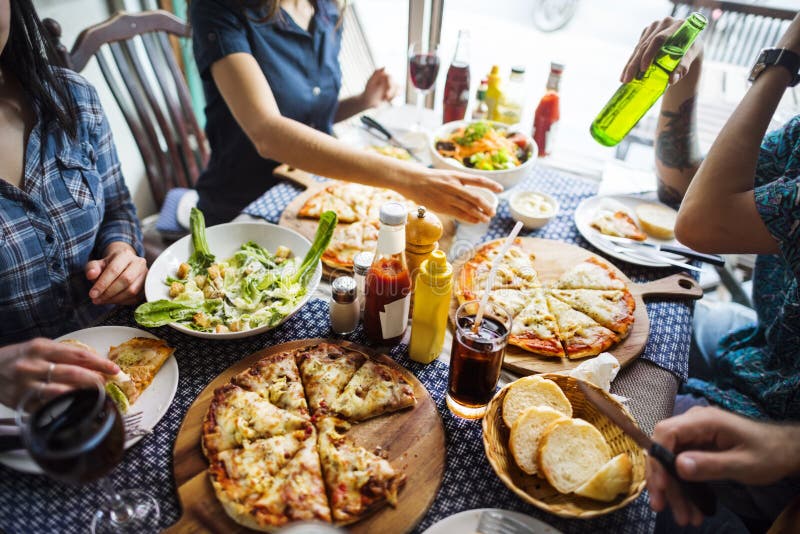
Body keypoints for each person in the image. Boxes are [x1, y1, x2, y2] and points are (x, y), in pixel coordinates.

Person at [620, 11, 800, 531]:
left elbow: (699, 223)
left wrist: (782, 62)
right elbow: (683, 190)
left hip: (780, 421)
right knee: (630, 315)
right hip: (765, 346)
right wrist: (685, 75)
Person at [189, 0, 502, 226]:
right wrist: (408, 179)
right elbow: (268, 133)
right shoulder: (218, 9)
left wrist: (362, 101)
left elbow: (306, 117)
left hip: (318, 188)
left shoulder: (327, 7)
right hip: (243, 206)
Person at [0, 0, 146, 407]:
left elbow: (118, 207)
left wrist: (122, 253)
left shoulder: (73, 97)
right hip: (19, 421)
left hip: (127, 359)